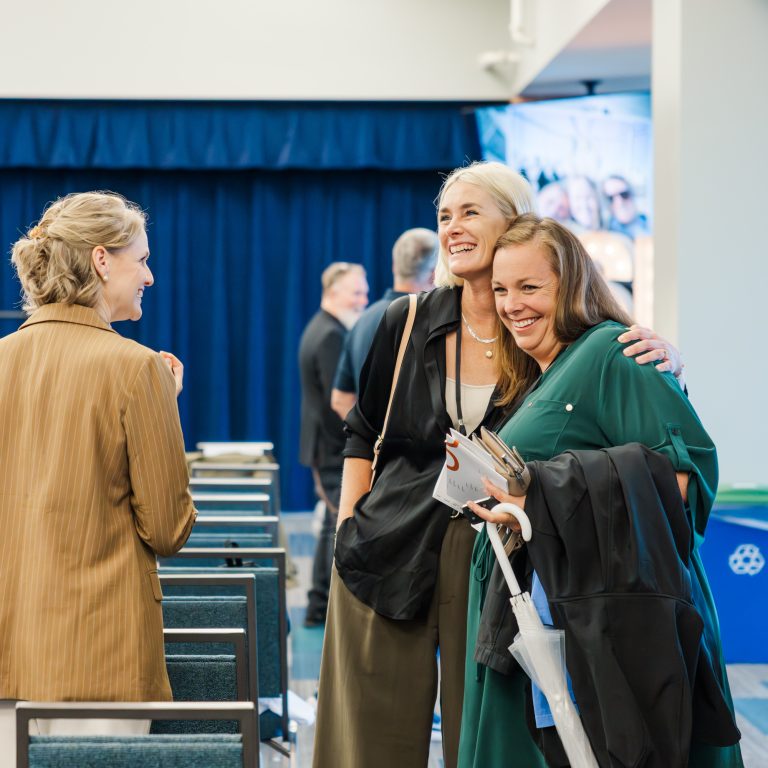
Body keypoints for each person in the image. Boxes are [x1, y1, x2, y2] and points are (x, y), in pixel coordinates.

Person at [312, 161, 684, 768]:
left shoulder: (545, 330)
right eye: (444, 216)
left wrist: (666, 354)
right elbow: (361, 435)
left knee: (486, 740)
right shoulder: (403, 322)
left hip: (496, 562)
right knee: (366, 744)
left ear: (515, 222)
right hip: (385, 549)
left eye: (469, 212)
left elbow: (613, 372)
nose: (452, 228)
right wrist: (348, 528)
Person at [459, 215, 742, 767]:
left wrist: (540, 494)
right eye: (501, 289)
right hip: (540, 614)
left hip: (594, 627)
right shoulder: (543, 372)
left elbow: (681, 481)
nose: (512, 303)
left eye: (529, 287)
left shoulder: (613, 352)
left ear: (570, 285)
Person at [0, 191, 197, 768]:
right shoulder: (136, 368)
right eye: (142, 260)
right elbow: (167, 529)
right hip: (100, 655)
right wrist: (167, 413)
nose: (151, 276)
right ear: (103, 261)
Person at [298, 261, 369, 626]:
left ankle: (318, 603)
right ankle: (320, 605)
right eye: (356, 292)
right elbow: (336, 401)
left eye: (364, 292)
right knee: (333, 524)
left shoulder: (322, 327)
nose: (363, 299)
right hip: (330, 447)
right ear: (333, 292)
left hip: (322, 445)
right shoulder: (330, 335)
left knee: (330, 521)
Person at [330, 227, 438, 420]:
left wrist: (369, 440)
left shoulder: (363, 319)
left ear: (395, 266)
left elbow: (340, 399)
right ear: (434, 273)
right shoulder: (434, 321)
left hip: (371, 448)